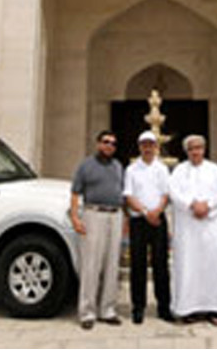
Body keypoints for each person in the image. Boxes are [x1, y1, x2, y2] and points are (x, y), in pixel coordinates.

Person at [168, 134, 217, 326]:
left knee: (212, 266)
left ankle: (214, 309)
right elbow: (174, 192)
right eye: (191, 149)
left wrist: (208, 206)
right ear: (186, 151)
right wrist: (191, 205)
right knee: (188, 266)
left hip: (210, 227)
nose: (195, 152)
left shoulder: (215, 170)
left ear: (204, 149)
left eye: (198, 148)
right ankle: (188, 309)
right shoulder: (179, 171)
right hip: (188, 228)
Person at [70, 130, 125, 329]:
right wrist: (75, 217)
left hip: (116, 215)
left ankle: (108, 309)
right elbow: (75, 192)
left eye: (113, 143)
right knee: (91, 264)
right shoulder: (86, 166)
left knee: (112, 264)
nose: (109, 146)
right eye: (106, 142)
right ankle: (87, 312)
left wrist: (124, 218)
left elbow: (122, 193)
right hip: (93, 214)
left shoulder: (118, 167)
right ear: (98, 143)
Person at [123, 130, 174, 324]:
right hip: (139, 220)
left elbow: (165, 194)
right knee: (138, 265)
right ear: (139, 147)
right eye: (144, 144)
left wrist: (156, 212)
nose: (147, 148)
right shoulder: (132, 169)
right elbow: (129, 196)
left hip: (158, 220)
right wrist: (146, 213)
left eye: (150, 144)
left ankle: (164, 307)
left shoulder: (162, 169)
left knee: (161, 264)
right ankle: (138, 307)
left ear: (156, 147)